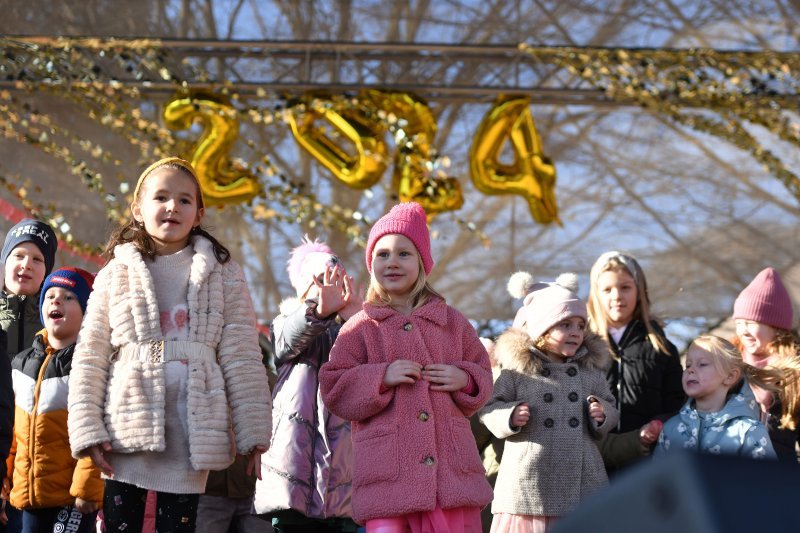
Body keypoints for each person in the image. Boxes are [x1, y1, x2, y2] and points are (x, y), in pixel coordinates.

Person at [66, 157, 272, 532]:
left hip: (191, 432)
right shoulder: (115, 272)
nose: (172, 207)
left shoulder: (223, 273)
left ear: (198, 212)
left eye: (184, 200)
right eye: (161, 197)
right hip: (126, 430)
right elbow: (90, 354)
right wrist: (87, 430)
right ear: (138, 210)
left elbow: (242, 355)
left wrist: (253, 435)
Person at [319, 202, 493, 533]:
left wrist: (466, 380)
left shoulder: (451, 321)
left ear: (423, 263)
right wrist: (380, 377)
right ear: (371, 264)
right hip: (389, 479)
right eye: (382, 254)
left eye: (404, 253)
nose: (392, 262)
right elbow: (334, 388)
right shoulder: (361, 327)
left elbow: (482, 373)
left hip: (450, 479)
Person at [480, 273, 618, 532]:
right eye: (565, 325)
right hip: (528, 486)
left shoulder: (589, 372)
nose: (575, 332)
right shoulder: (516, 373)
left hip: (582, 485)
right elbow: (489, 409)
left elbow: (611, 406)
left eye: (580, 325)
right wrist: (509, 416)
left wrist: (601, 414)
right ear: (541, 330)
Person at [254, 236, 360, 532]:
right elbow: (287, 340)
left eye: (334, 282)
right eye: (319, 283)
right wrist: (319, 312)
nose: (327, 291)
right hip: (294, 473)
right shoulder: (287, 321)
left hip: (341, 477)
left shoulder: (349, 329)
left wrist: (356, 319)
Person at [6, 268, 103, 532]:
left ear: (87, 312)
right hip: (27, 495)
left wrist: (87, 486)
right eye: (49, 296)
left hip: (71, 498)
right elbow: (13, 432)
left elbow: (97, 429)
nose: (56, 301)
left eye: (69, 297)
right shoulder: (21, 363)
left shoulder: (91, 364)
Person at [587, 251, 683, 469]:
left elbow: (678, 404)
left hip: (646, 463)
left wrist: (659, 424)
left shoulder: (661, 347)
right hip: (592, 463)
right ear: (595, 295)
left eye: (625, 287)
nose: (617, 296)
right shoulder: (582, 346)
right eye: (607, 289)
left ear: (640, 291)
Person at [0, 219, 57, 532]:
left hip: (32, 457)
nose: (26, 265)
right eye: (18, 256)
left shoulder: (55, 322)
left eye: (37, 259)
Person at [654, 335, 777, 459]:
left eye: (702, 364)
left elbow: (766, 477)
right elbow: (657, 476)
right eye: (688, 365)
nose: (690, 370)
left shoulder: (748, 430)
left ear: (730, 376)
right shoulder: (670, 428)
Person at [732, 267, 800, 463]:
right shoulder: (726, 364)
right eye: (739, 322)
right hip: (728, 471)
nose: (743, 331)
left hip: (776, 476)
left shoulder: (793, 376)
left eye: (752, 322)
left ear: (776, 328)